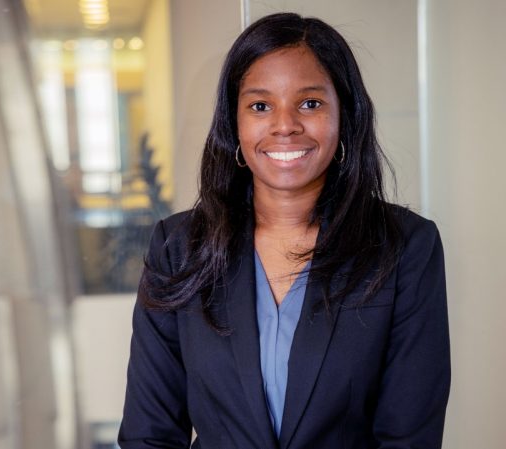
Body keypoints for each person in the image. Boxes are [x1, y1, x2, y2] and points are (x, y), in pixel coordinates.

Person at [118, 12, 450, 449]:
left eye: (310, 103)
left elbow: (409, 439)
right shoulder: (178, 248)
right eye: (260, 106)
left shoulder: (405, 247)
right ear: (233, 123)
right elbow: (150, 436)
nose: (285, 124)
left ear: (343, 115)